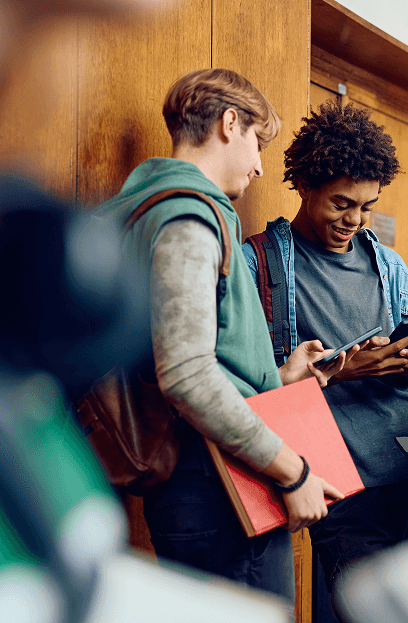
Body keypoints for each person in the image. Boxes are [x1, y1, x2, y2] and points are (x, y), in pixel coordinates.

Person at [95, 68, 353, 604]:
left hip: (201, 477)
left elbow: (184, 351)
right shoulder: (188, 214)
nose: (260, 166)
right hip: (221, 484)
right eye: (258, 144)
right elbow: (187, 374)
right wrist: (292, 469)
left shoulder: (134, 210)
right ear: (230, 124)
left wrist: (279, 375)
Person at [241, 100, 408, 597]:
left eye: (367, 206)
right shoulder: (259, 265)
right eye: (341, 203)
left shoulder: (391, 265)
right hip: (338, 480)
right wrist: (343, 370)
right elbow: (248, 385)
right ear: (305, 185)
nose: (355, 219)